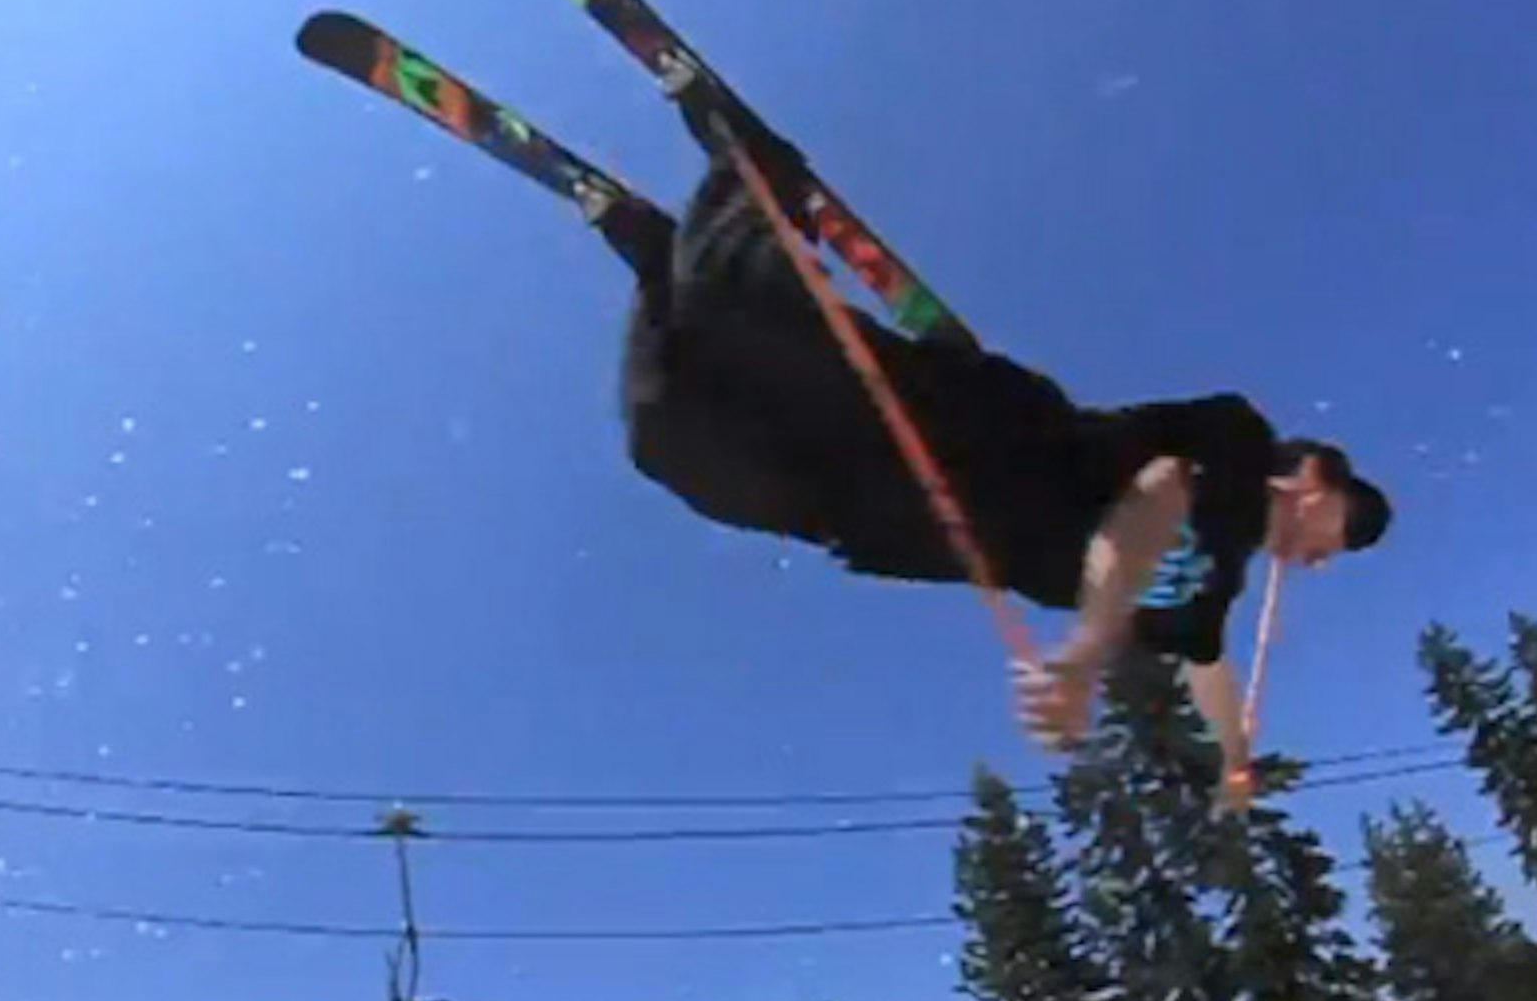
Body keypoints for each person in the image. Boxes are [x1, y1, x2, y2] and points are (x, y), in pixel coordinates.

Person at [590, 82, 1391, 756]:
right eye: (1340, 534)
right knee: (742, 309)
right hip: (971, 438)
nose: (1322, 559)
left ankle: (658, 258)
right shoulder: (1240, 448)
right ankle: (754, 162)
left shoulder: (1204, 604)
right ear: (1316, 479)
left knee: (669, 439)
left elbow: (1206, 666)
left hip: (897, 525)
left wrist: (1235, 760)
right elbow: (1158, 490)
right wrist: (1080, 655)